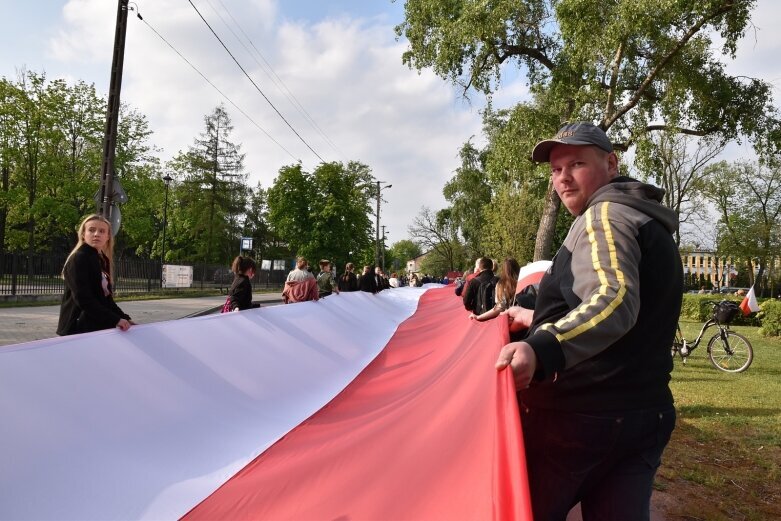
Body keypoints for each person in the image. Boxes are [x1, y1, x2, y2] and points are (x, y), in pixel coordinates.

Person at [495, 122, 682, 520]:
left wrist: (540, 348)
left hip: (581, 419)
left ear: (611, 164)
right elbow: (636, 311)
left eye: (576, 164)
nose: (563, 178)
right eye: (555, 170)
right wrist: (536, 317)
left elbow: (613, 301)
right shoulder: (642, 217)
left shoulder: (604, 216)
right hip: (645, 414)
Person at [57, 214, 133, 335]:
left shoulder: (102, 260)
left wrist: (125, 318)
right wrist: (116, 319)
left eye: (102, 231)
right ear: (83, 234)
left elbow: (106, 299)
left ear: (108, 236)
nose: (96, 234)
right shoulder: (79, 258)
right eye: (91, 230)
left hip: (96, 326)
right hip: (77, 329)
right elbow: (83, 299)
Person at [469, 257, 519, 322]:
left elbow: (499, 308)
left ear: (503, 270)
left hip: (508, 322)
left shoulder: (501, 284)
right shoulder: (524, 281)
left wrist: (479, 317)